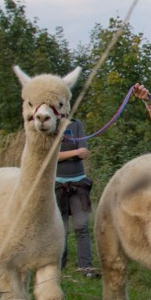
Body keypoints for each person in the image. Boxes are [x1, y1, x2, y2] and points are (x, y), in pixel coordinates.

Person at [56, 115, 97, 277]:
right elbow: (51, 155)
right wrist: (75, 152)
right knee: (61, 227)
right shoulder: (51, 124)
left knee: (82, 226)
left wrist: (66, 154)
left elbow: (84, 151)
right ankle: (59, 268)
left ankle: (86, 268)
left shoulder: (76, 124)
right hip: (58, 184)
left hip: (79, 183)